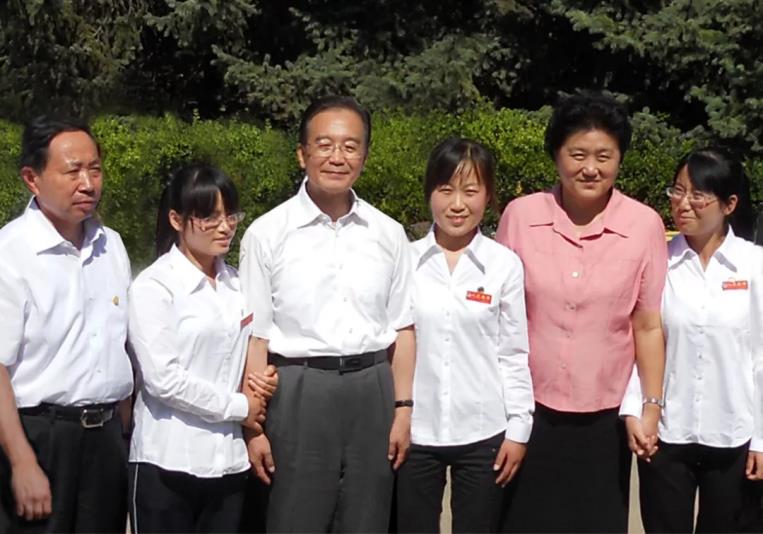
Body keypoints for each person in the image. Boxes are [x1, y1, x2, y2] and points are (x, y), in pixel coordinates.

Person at [239, 95, 415, 532]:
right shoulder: (267, 233)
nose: (338, 157)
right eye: (325, 145)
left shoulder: (389, 233)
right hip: (298, 391)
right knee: (294, 518)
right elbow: (256, 337)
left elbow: (403, 328)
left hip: (372, 389)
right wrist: (254, 428)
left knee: (367, 519)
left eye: (350, 146)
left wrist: (403, 409)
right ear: (302, 154)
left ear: (365, 156)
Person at [495, 91, 668, 533]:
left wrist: (650, 406)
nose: (590, 168)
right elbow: (498, 314)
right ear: (556, 155)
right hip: (528, 408)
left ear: (620, 159)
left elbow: (647, 324)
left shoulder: (644, 225)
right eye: (577, 154)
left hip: (604, 416)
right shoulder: (520, 216)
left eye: (603, 156)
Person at [126, 164, 277, 533]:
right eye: (209, 217)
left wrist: (262, 381)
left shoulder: (238, 284)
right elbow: (164, 380)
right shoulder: (154, 287)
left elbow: (250, 350)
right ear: (176, 220)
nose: (225, 227)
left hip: (228, 462)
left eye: (231, 216)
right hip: (168, 461)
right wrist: (240, 407)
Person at [0, 116, 133, 532]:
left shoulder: (111, 245)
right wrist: (21, 461)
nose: (88, 184)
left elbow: (122, 344)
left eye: (95, 169)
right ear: (32, 179)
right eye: (73, 171)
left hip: (106, 441)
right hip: (41, 438)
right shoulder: (11, 253)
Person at [396, 138, 534, 533]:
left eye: (471, 191)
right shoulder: (404, 262)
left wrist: (519, 427)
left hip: (483, 429)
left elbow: (512, 351)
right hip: (415, 431)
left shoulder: (504, 265)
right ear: (429, 193)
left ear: (488, 196)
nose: (457, 204)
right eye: (446, 190)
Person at [621, 147, 763, 532]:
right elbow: (638, 338)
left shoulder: (754, 265)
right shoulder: (658, 262)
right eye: (678, 191)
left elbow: (760, 358)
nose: (683, 204)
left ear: (729, 204)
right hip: (666, 434)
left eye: (698, 195)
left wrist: (761, 440)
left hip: (733, 434)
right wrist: (634, 409)